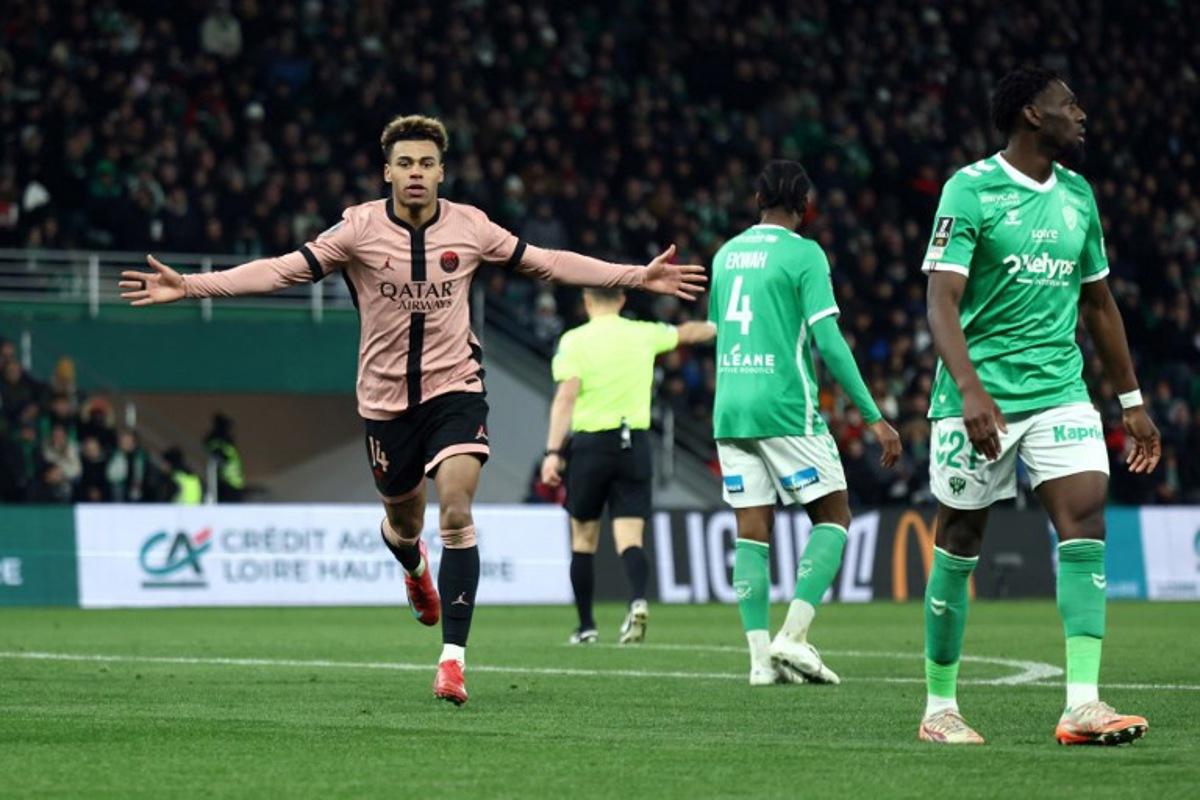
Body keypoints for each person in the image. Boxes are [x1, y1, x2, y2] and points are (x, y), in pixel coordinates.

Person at [119, 114, 706, 706]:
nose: (416, 173)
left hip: (456, 390)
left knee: (456, 510)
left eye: (426, 163)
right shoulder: (357, 229)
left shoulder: (471, 227)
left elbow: (549, 263)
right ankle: (413, 567)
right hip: (384, 403)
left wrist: (637, 275)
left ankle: (453, 661)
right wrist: (192, 285)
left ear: (442, 171)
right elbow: (280, 271)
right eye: (405, 163)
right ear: (387, 172)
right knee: (404, 525)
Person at [918, 68, 1161, 746]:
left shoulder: (1079, 195)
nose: (1081, 113)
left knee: (1084, 520)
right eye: (1069, 103)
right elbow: (941, 297)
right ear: (1031, 113)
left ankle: (1081, 702)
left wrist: (1131, 400)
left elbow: (1099, 302)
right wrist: (967, 387)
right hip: (981, 398)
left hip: (1060, 388)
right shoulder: (971, 188)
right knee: (960, 542)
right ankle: (940, 707)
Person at [710, 160, 901, 687]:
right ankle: (792, 636)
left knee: (751, 530)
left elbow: (718, 330)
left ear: (757, 199)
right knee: (835, 515)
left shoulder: (725, 256)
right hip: (785, 406)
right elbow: (830, 342)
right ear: (804, 205)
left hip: (730, 406)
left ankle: (758, 663)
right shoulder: (805, 254)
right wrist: (873, 416)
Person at [541, 287, 715, 645]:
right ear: (621, 301)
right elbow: (690, 332)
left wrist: (552, 452)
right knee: (630, 539)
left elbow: (566, 397)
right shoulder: (643, 333)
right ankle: (636, 599)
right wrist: (723, 325)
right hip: (634, 443)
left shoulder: (575, 341)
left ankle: (586, 626)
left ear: (586, 301)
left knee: (583, 539)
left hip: (590, 446)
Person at [205, 412, 245, 502]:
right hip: (228, 483)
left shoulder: (218, 441)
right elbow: (222, 458)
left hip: (230, 483)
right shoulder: (222, 442)